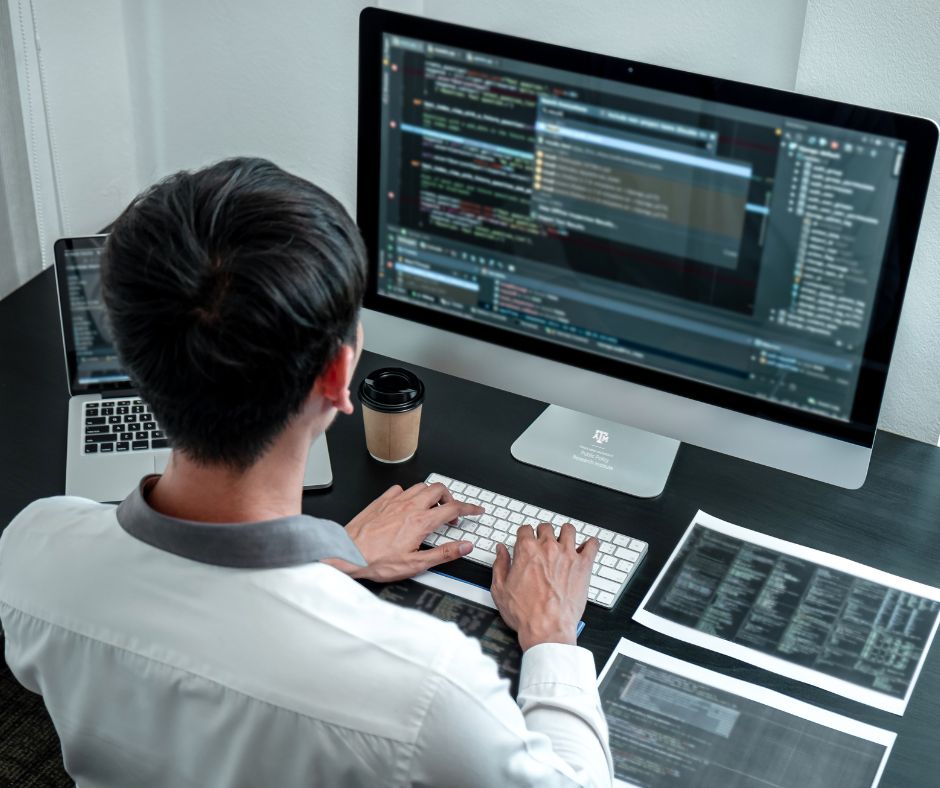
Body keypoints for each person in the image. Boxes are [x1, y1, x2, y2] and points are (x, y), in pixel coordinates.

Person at [0, 158, 612, 787]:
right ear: (337, 377)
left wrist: (332, 561)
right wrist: (551, 636)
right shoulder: (424, 687)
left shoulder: (33, 548)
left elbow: (195, 635)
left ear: (130, 355)